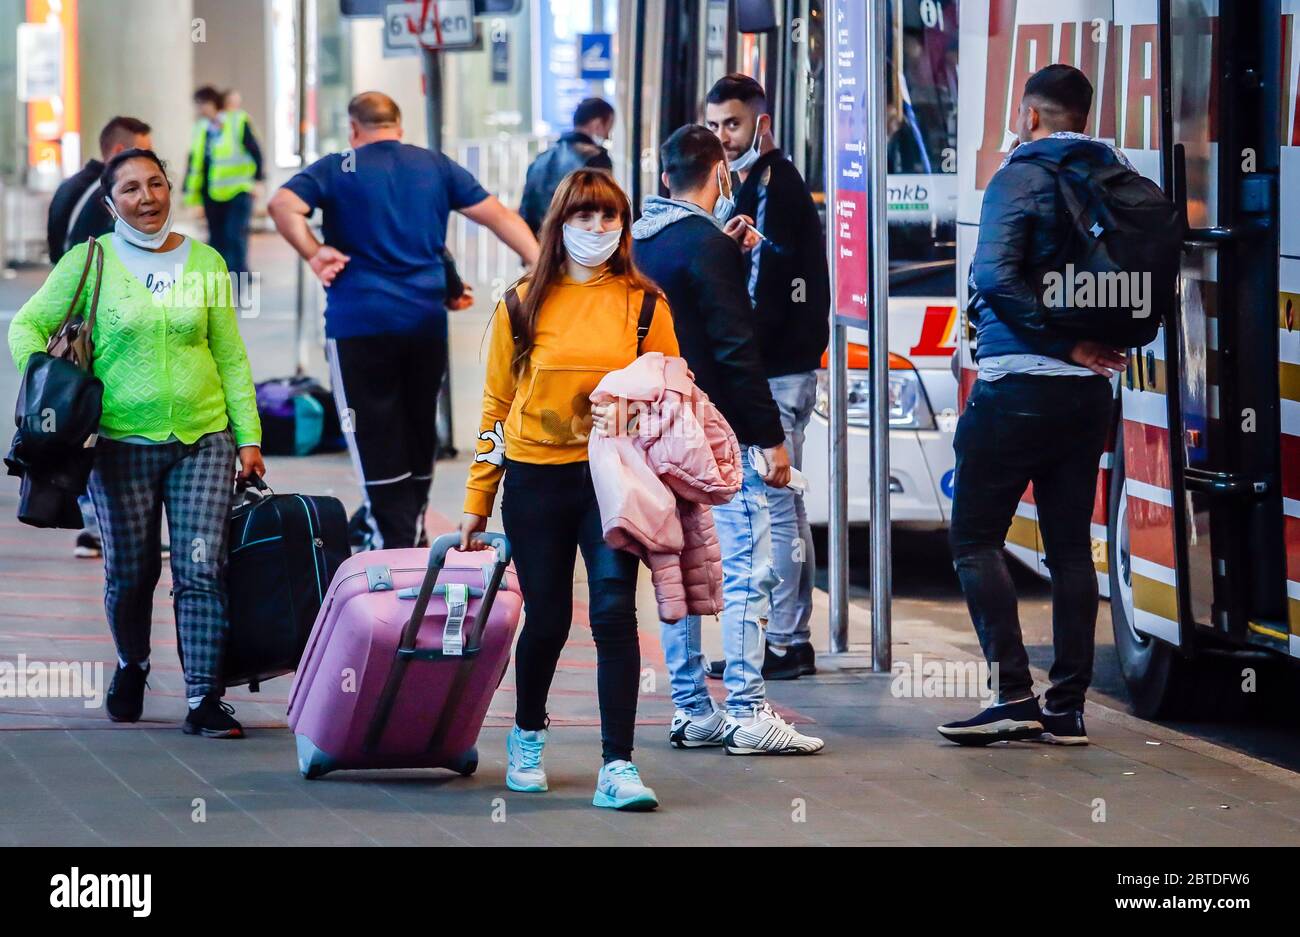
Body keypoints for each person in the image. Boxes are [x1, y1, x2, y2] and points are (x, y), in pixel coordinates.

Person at [9, 148, 264, 737]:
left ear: (171, 189)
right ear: (109, 203)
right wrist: (55, 383)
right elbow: (27, 325)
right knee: (131, 571)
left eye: (156, 184)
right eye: (130, 189)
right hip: (118, 442)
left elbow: (228, 353)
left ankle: (203, 698)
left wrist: (247, 435)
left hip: (204, 435)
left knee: (203, 567)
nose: (147, 198)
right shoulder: (88, 260)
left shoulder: (206, 262)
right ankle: (133, 664)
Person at [459, 169, 678, 810]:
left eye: (609, 218)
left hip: (611, 480)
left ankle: (619, 767)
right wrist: (477, 499)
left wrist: (634, 417)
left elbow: (670, 394)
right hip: (533, 478)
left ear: (623, 227)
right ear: (560, 224)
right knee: (549, 618)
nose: (597, 230)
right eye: (584, 218)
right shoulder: (522, 302)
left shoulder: (645, 306)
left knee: (613, 613)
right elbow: (495, 408)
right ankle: (528, 734)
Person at [938, 64, 1129, 747]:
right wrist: (1082, 348)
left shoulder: (1020, 175)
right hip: (1087, 397)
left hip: (1018, 385)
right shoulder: (1114, 174)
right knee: (1072, 549)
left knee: (974, 538)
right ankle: (1067, 707)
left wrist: (1063, 341)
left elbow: (993, 275)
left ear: (1029, 115)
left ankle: (1015, 694)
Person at [269, 92, 538, 551]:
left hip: (358, 325)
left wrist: (314, 253)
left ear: (354, 128)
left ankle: (396, 543)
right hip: (424, 322)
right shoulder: (434, 165)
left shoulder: (338, 166)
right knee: (417, 428)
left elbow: (282, 206)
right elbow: (499, 216)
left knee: (372, 432)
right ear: (399, 125)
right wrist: (538, 268)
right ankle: (405, 529)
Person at [631, 125, 823, 755]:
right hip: (711, 433)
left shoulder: (636, 245)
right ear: (720, 176)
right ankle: (746, 708)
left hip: (654, 432)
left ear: (665, 180)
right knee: (746, 569)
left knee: (675, 570)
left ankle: (692, 709)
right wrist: (768, 439)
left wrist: (723, 250)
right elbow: (735, 350)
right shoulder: (706, 245)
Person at [705, 73, 830, 680]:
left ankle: (784, 641)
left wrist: (737, 365)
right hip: (777, 370)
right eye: (713, 125)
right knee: (779, 506)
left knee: (775, 507)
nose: (722, 137)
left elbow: (756, 293)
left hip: (775, 373)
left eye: (731, 123)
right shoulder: (749, 183)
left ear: (761, 122)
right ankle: (782, 637)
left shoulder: (773, 186)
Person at [45, 115, 153, 560]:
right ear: (117, 153)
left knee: (85, 419)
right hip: (91, 329)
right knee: (96, 423)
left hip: (73, 325)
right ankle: (96, 526)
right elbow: (89, 259)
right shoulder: (101, 196)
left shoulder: (73, 186)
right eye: (139, 152)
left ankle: (95, 523)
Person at [184, 85, 264, 275]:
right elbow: (195, 160)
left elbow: (255, 152)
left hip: (238, 189)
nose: (199, 109)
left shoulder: (237, 121)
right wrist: (190, 192)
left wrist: (258, 181)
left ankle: (239, 274)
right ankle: (220, 274)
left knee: (234, 234)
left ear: (213, 103)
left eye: (201, 104)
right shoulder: (201, 127)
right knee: (216, 236)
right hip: (212, 192)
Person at [519, 97, 615, 233]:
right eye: (608, 129)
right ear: (597, 125)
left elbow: (526, 212)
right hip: (576, 246)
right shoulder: (595, 158)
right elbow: (603, 209)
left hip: (539, 246)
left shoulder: (540, 160)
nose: (607, 137)